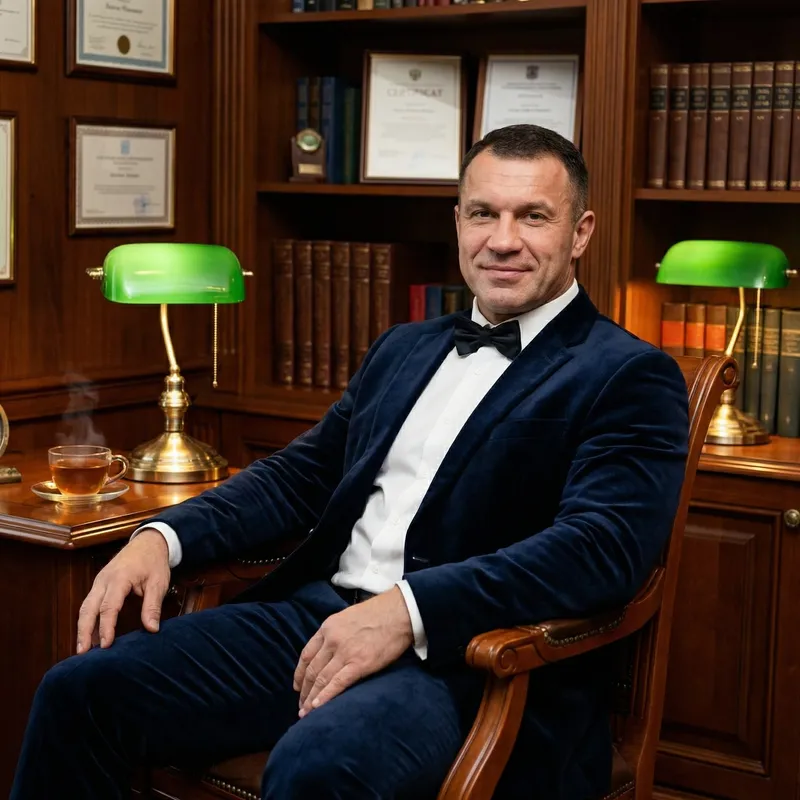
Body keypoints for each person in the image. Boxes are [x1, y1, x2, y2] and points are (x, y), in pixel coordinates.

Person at [11, 123, 689, 800]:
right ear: (458, 222)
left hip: (471, 667)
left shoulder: (628, 374)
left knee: (321, 768)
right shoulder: (404, 348)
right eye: (483, 213)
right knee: (81, 691)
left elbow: (599, 550)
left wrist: (407, 611)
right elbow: (301, 475)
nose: (503, 239)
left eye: (533, 217)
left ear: (580, 232)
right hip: (318, 619)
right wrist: (164, 536)